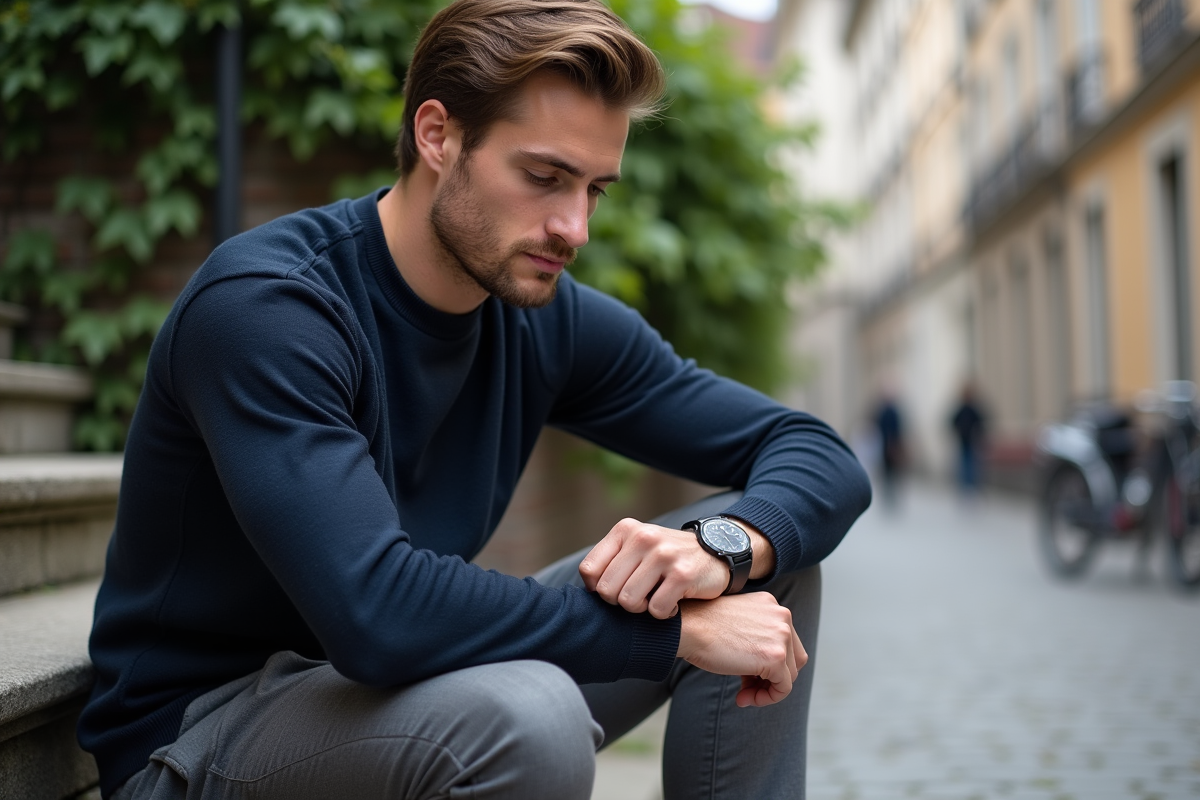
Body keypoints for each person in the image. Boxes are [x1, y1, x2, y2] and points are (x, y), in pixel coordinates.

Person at [77, 2, 871, 798]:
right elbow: (375, 610)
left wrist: (724, 548)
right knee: (530, 717)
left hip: (397, 695)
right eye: (544, 177)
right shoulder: (269, 308)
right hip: (199, 739)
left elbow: (816, 452)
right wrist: (671, 631)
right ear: (437, 135)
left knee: (767, 575)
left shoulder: (545, 318)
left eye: (595, 189)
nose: (574, 227)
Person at [950, 382, 987, 495]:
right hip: (963, 441)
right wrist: (959, 431)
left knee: (972, 464)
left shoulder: (972, 410)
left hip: (972, 441)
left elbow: (980, 422)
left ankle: (972, 486)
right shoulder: (962, 409)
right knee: (964, 464)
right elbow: (953, 421)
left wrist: (978, 434)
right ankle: (965, 486)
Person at [873, 392, 905, 509]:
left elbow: (896, 429)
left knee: (891, 472)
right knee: (888, 472)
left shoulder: (890, 412)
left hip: (889, 445)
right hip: (885, 445)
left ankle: (891, 495)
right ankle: (889, 495)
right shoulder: (886, 411)